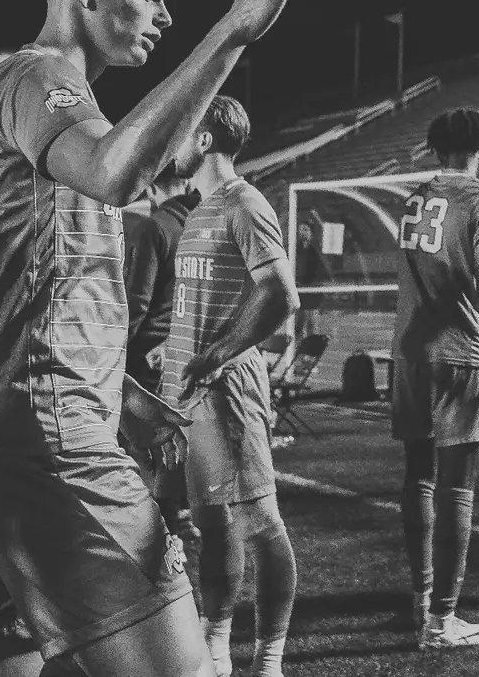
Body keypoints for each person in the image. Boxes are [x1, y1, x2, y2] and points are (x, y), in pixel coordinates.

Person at [0, 0, 316, 677]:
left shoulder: (62, 105)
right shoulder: (35, 80)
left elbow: (54, 290)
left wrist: (122, 393)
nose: (164, 15)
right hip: (52, 448)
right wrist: (232, 32)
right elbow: (117, 174)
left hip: (15, 438)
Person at [160, 96, 301, 677]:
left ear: (205, 140)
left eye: (182, 131)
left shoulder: (245, 202)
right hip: (192, 395)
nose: (172, 143)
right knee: (214, 526)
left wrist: (218, 352)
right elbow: (208, 302)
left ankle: (268, 661)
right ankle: (216, 647)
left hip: (229, 392)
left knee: (261, 526)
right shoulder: (200, 210)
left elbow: (281, 295)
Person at [392, 108, 479, 650]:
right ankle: (442, 621)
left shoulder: (412, 198)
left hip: (408, 353)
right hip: (459, 351)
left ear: (436, 149)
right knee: (456, 485)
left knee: (417, 475)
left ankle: (421, 600)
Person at [125, 161, 199, 396]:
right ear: (188, 184)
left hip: (148, 361)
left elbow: (137, 301)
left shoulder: (153, 228)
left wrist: (114, 350)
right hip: (189, 353)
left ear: (150, 189)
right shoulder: (206, 224)